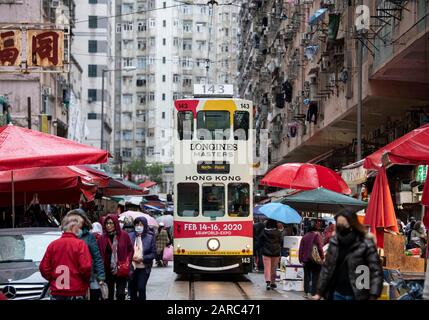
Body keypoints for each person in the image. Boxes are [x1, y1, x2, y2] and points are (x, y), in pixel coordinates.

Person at [314, 209, 383, 300]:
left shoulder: (365, 242)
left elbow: (376, 270)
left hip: (358, 292)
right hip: (336, 292)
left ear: (352, 224)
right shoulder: (335, 242)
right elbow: (327, 267)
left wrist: (374, 294)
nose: (341, 226)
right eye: (339, 224)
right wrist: (319, 291)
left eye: (344, 224)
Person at [39, 214, 93, 300]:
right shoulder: (80, 244)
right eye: (80, 227)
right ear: (74, 227)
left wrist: (54, 278)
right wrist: (84, 280)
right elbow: (86, 267)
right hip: (76, 290)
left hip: (57, 290)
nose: (81, 230)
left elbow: (44, 268)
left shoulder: (53, 245)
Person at [65, 209, 106, 301]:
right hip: (70, 275)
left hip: (88, 275)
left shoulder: (89, 236)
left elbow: (97, 257)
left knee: (95, 292)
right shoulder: (65, 235)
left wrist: (101, 276)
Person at [98, 214, 134, 301]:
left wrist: (128, 260)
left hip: (121, 269)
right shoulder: (102, 238)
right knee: (108, 295)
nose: (108, 225)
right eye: (106, 223)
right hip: (107, 270)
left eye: (111, 223)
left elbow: (130, 250)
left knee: (120, 293)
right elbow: (98, 253)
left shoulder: (124, 235)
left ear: (116, 223)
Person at [128, 217, 157, 300]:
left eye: (141, 224)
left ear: (145, 225)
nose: (139, 226)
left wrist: (142, 258)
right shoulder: (129, 236)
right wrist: (131, 258)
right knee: (132, 290)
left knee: (141, 288)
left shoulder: (150, 237)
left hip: (144, 268)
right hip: (131, 268)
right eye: (137, 224)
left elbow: (153, 254)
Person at [298, 222, 324, 299]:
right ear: (315, 230)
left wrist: (300, 259)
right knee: (315, 277)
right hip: (315, 260)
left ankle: (306, 292)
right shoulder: (317, 236)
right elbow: (320, 248)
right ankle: (313, 293)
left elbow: (301, 249)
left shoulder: (304, 237)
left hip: (306, 260)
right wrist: (322, 257)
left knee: (307, 276)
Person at [259, 219, 282, 290]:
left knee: (267, 268)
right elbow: (280, 242)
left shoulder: (264, 232)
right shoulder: (279, 232)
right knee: (274, 268)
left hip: (266, 253)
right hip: (276, 253)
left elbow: (260, 241)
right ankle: (273, 282)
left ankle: (268, 283)